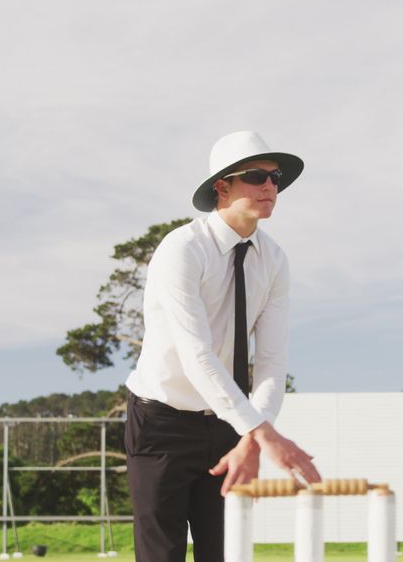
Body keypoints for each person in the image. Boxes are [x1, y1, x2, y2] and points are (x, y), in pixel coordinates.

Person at [124, 131, 322, 562]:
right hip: (162, 424)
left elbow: (270, 362)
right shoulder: (182, 249)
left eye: (276, 178)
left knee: (226, 555)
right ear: (222, 186)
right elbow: (198, 357)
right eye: (256, 176)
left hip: (229, 430)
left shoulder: (275, 260)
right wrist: (263, 432)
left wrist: (251, 436)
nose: (270, 186)